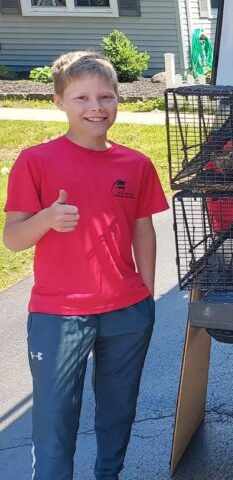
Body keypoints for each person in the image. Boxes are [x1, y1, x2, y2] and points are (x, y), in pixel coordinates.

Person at [3, 51, 169, 480]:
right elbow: (14, 239)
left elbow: (143, 230)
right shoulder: (34, 162)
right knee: (56, 422)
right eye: (81, 98)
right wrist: (46, 220)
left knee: (118, 413)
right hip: (58, 315)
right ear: (59, 101)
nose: (95, 107)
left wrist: (146, 295)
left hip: (127, 312)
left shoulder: (136, 164)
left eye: (105, 96)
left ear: (118, 99)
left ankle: (108, 475)